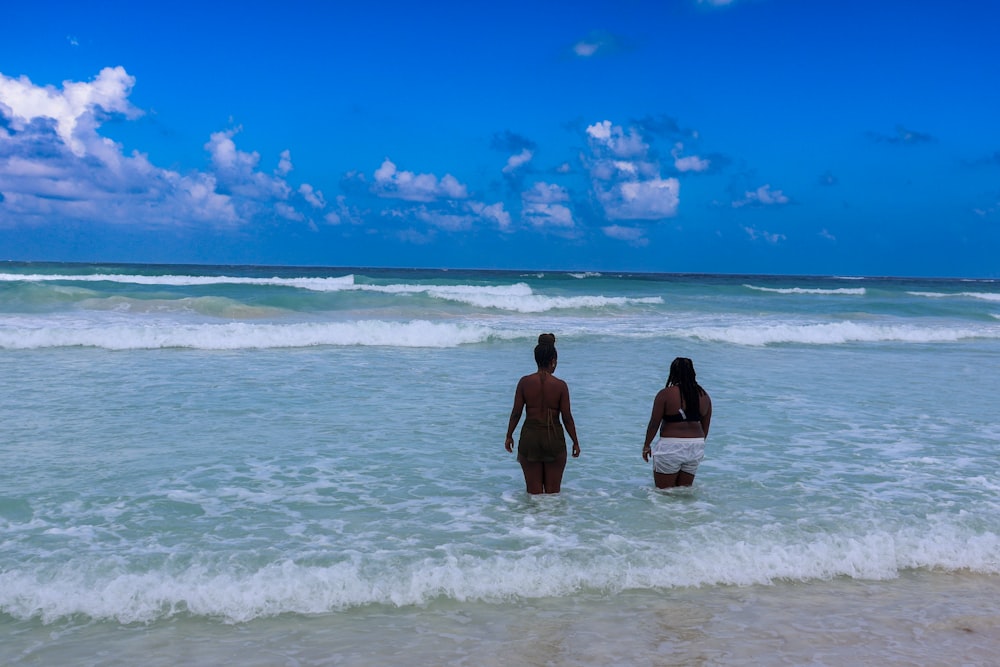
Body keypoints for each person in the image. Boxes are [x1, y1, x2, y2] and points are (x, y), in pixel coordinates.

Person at [505, 333, 581, 494]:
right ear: (553, 360)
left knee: (534, 494)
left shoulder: (524, 382)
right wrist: (575, 441)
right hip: (553, 438)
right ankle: (552, 520)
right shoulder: (560, 386)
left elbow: (516, 413)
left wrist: (509, 435)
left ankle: (532, 520)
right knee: (553, 495)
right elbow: (567, 418)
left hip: (530, 438)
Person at [642, 357, 712, 489]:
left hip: (671, 446)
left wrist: (646, 445)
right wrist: (695, 445)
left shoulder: (665, 394)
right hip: (696, 446)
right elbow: (705, 427)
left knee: (664, 494)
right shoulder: (704, 396)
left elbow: (654, 423)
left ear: (673, 373)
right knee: (683, 493)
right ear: (693, 373)